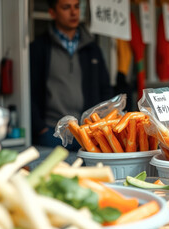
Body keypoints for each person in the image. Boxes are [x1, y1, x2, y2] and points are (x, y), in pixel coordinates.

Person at [30, 0, 113, 150]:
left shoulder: (92, 48)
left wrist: (100, 125)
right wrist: (39, 127)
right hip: (52, 133)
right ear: (52, 12)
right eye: (66, 7)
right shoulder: (39, 47)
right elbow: (29, 91)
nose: (74, 12)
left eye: (76, 6)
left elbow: (105, 89)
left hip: (88, 132)